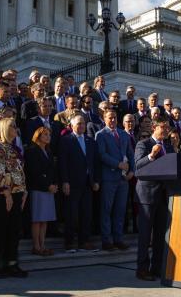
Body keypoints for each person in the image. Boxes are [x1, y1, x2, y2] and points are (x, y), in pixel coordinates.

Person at [0, 118, 28, 278]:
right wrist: (7, 193)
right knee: (0, 228)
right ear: (4, 128)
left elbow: (19, 171)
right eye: (12, 126)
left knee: (14, 229)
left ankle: (12, 263)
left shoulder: (14, 148)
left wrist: (24, 192)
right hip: (3, 195)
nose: (15, 128)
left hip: (17, 193)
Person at [134, 115, 173, 281]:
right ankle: (142, 269)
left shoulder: (170, 147)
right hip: (147, 196)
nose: (165, 130)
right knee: (145, 235)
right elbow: (138, 166)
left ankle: (157, 268)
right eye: (162, 127)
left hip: (164, 196)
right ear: (154, 128)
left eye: (167, 127)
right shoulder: (143, 144)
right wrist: (151, 155)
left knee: (160, 235)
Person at [59, 114, 100, 252]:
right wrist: (65, 181)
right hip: (72, 183)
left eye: (83, 123)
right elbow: (63, 163)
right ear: (71, 126)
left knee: (86, 214)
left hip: (87, 184)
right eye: (78, 123)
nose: (81, 126)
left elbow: (95, 163)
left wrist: (95, 181)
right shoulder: (66, 140)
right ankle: (69, 242)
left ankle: (84, 241)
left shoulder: (90, 141)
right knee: (71, 214)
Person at [95, 109, 135, 251]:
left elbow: (131, 154)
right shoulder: (100, 135)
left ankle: (118, 239)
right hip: (109, 178)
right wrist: (117, 164)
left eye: (115, 118)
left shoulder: (124, 134)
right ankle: (106, 240)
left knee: (120, 210)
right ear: (104, 119)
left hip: (123, 179)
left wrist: (132, 171)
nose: (112, 120)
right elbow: (102, 155)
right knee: (106, 209)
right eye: (110, 118)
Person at [25, 126, 58, 257]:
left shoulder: (48, 151)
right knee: (37, 219)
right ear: (38, 136)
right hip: (38, 189)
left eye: (49, 135)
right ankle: (36, 246)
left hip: (49, 189)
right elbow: (34, 172)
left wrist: (54, 184)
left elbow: (52, 170)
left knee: (45, 220)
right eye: (45, 135)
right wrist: (47, 185)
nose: (48, 137)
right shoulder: (32, 151)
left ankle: (43, 245)